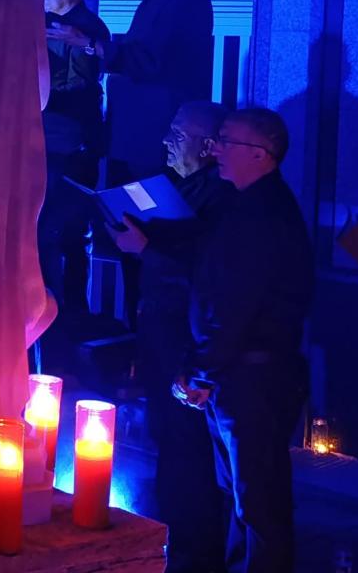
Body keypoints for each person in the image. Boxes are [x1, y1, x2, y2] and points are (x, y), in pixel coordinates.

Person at [161, 108, 311, 573]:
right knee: (241, 497)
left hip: (251, 377)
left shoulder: (262, 217)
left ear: (262, 155)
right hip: (238, 372)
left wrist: (203, 369)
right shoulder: (243, 207)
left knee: (257, 500)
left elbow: (235, 305)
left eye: (227, 142)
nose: (216, 150)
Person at [108, 101, 233, 573]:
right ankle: (175, 543)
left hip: (188, 339)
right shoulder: (182, 190)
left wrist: (149, 247)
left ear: (208, 146)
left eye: (177, 135)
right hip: (160, 332)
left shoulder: (220, 199)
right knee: (169, 443)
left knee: (189, 453)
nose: (166, 142)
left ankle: (194, 553)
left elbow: (209, 273)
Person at [47, 0, 213, 182]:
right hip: (135, 134)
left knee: (140, 212)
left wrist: (89, 43)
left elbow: (150, 61)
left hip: (151, 136)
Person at [39, 0, 111, 328]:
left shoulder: (89, 29)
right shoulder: (43, 23)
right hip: (43, 142)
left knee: (67, 232)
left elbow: (75, 83)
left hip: (71, 146)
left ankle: (71, 316)